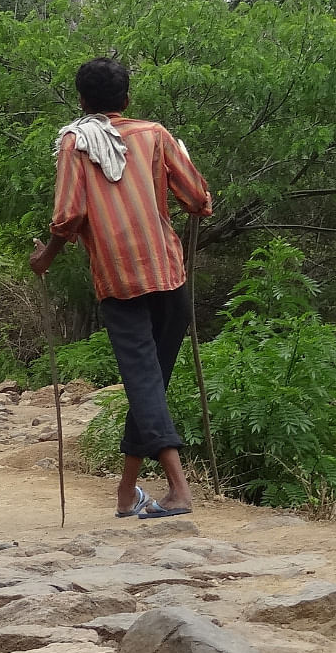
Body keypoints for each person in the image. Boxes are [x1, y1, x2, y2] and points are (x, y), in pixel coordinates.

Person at [30, 57, 212, 519]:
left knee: (144, 382)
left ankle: (178, 490)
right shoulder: (155, 134)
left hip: (118, 278)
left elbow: (69, 215)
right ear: (127, 99)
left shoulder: (75, 141)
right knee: (149, 383)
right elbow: (197, 200)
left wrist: (45, 256)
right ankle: (127, 492)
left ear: (82, 101)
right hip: (168, 272)